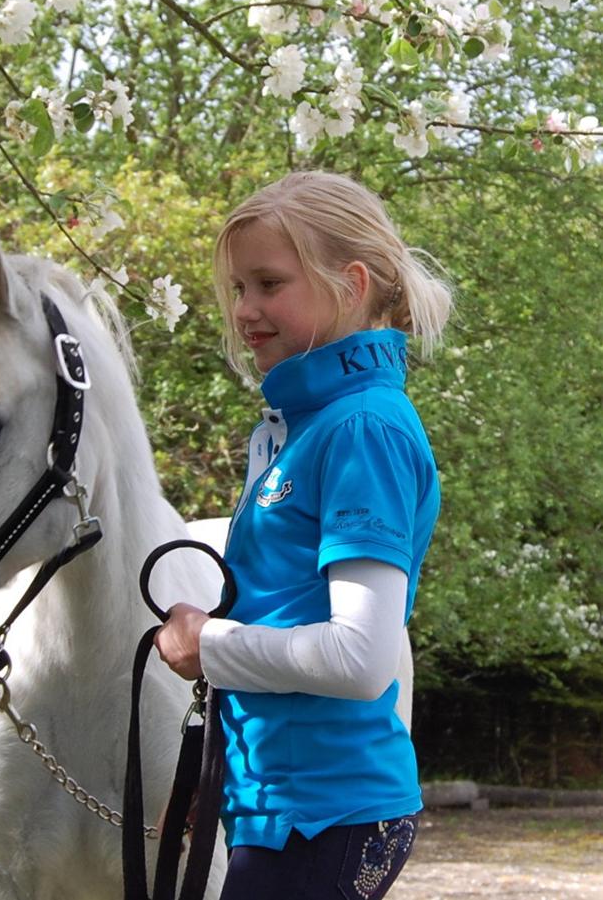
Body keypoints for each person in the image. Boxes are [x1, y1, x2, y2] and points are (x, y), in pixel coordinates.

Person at [154, 170, 452, 900]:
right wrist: (225, 773)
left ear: (349, 285)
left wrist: (207, 646)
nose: (245, 309)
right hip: (285, 808)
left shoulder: (360, 430)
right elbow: (288, 612)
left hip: (327, 815)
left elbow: (359, 657)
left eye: (268, 283)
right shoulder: (304, 425)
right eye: (238, 288)